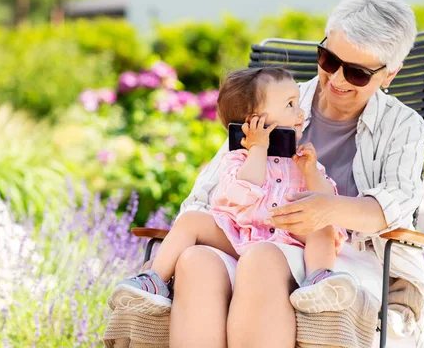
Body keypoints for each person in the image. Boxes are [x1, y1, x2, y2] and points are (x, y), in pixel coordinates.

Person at [111, 0, 424, 348]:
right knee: (195, 262)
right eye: (329, 60)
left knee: (262, 260)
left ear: (389, 75)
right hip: (252, 235)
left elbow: (395, 204)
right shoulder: (280, 100)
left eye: (357, 73)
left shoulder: (402, 125)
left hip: (338, 258)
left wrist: (325, 210)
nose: (335, 79)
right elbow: (206, 193)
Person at [108, 68, 359, 316]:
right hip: (241, 234)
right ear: (254, 121)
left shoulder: (302, 159)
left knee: (322, 225)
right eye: (290, 105)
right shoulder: (237, 158)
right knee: (191, 220)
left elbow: (328, 201)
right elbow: (239, 197)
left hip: (289, 238)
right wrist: (258, 150)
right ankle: (154, 280)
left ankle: (319, 280)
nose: (301, 112)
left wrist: (312, 172)